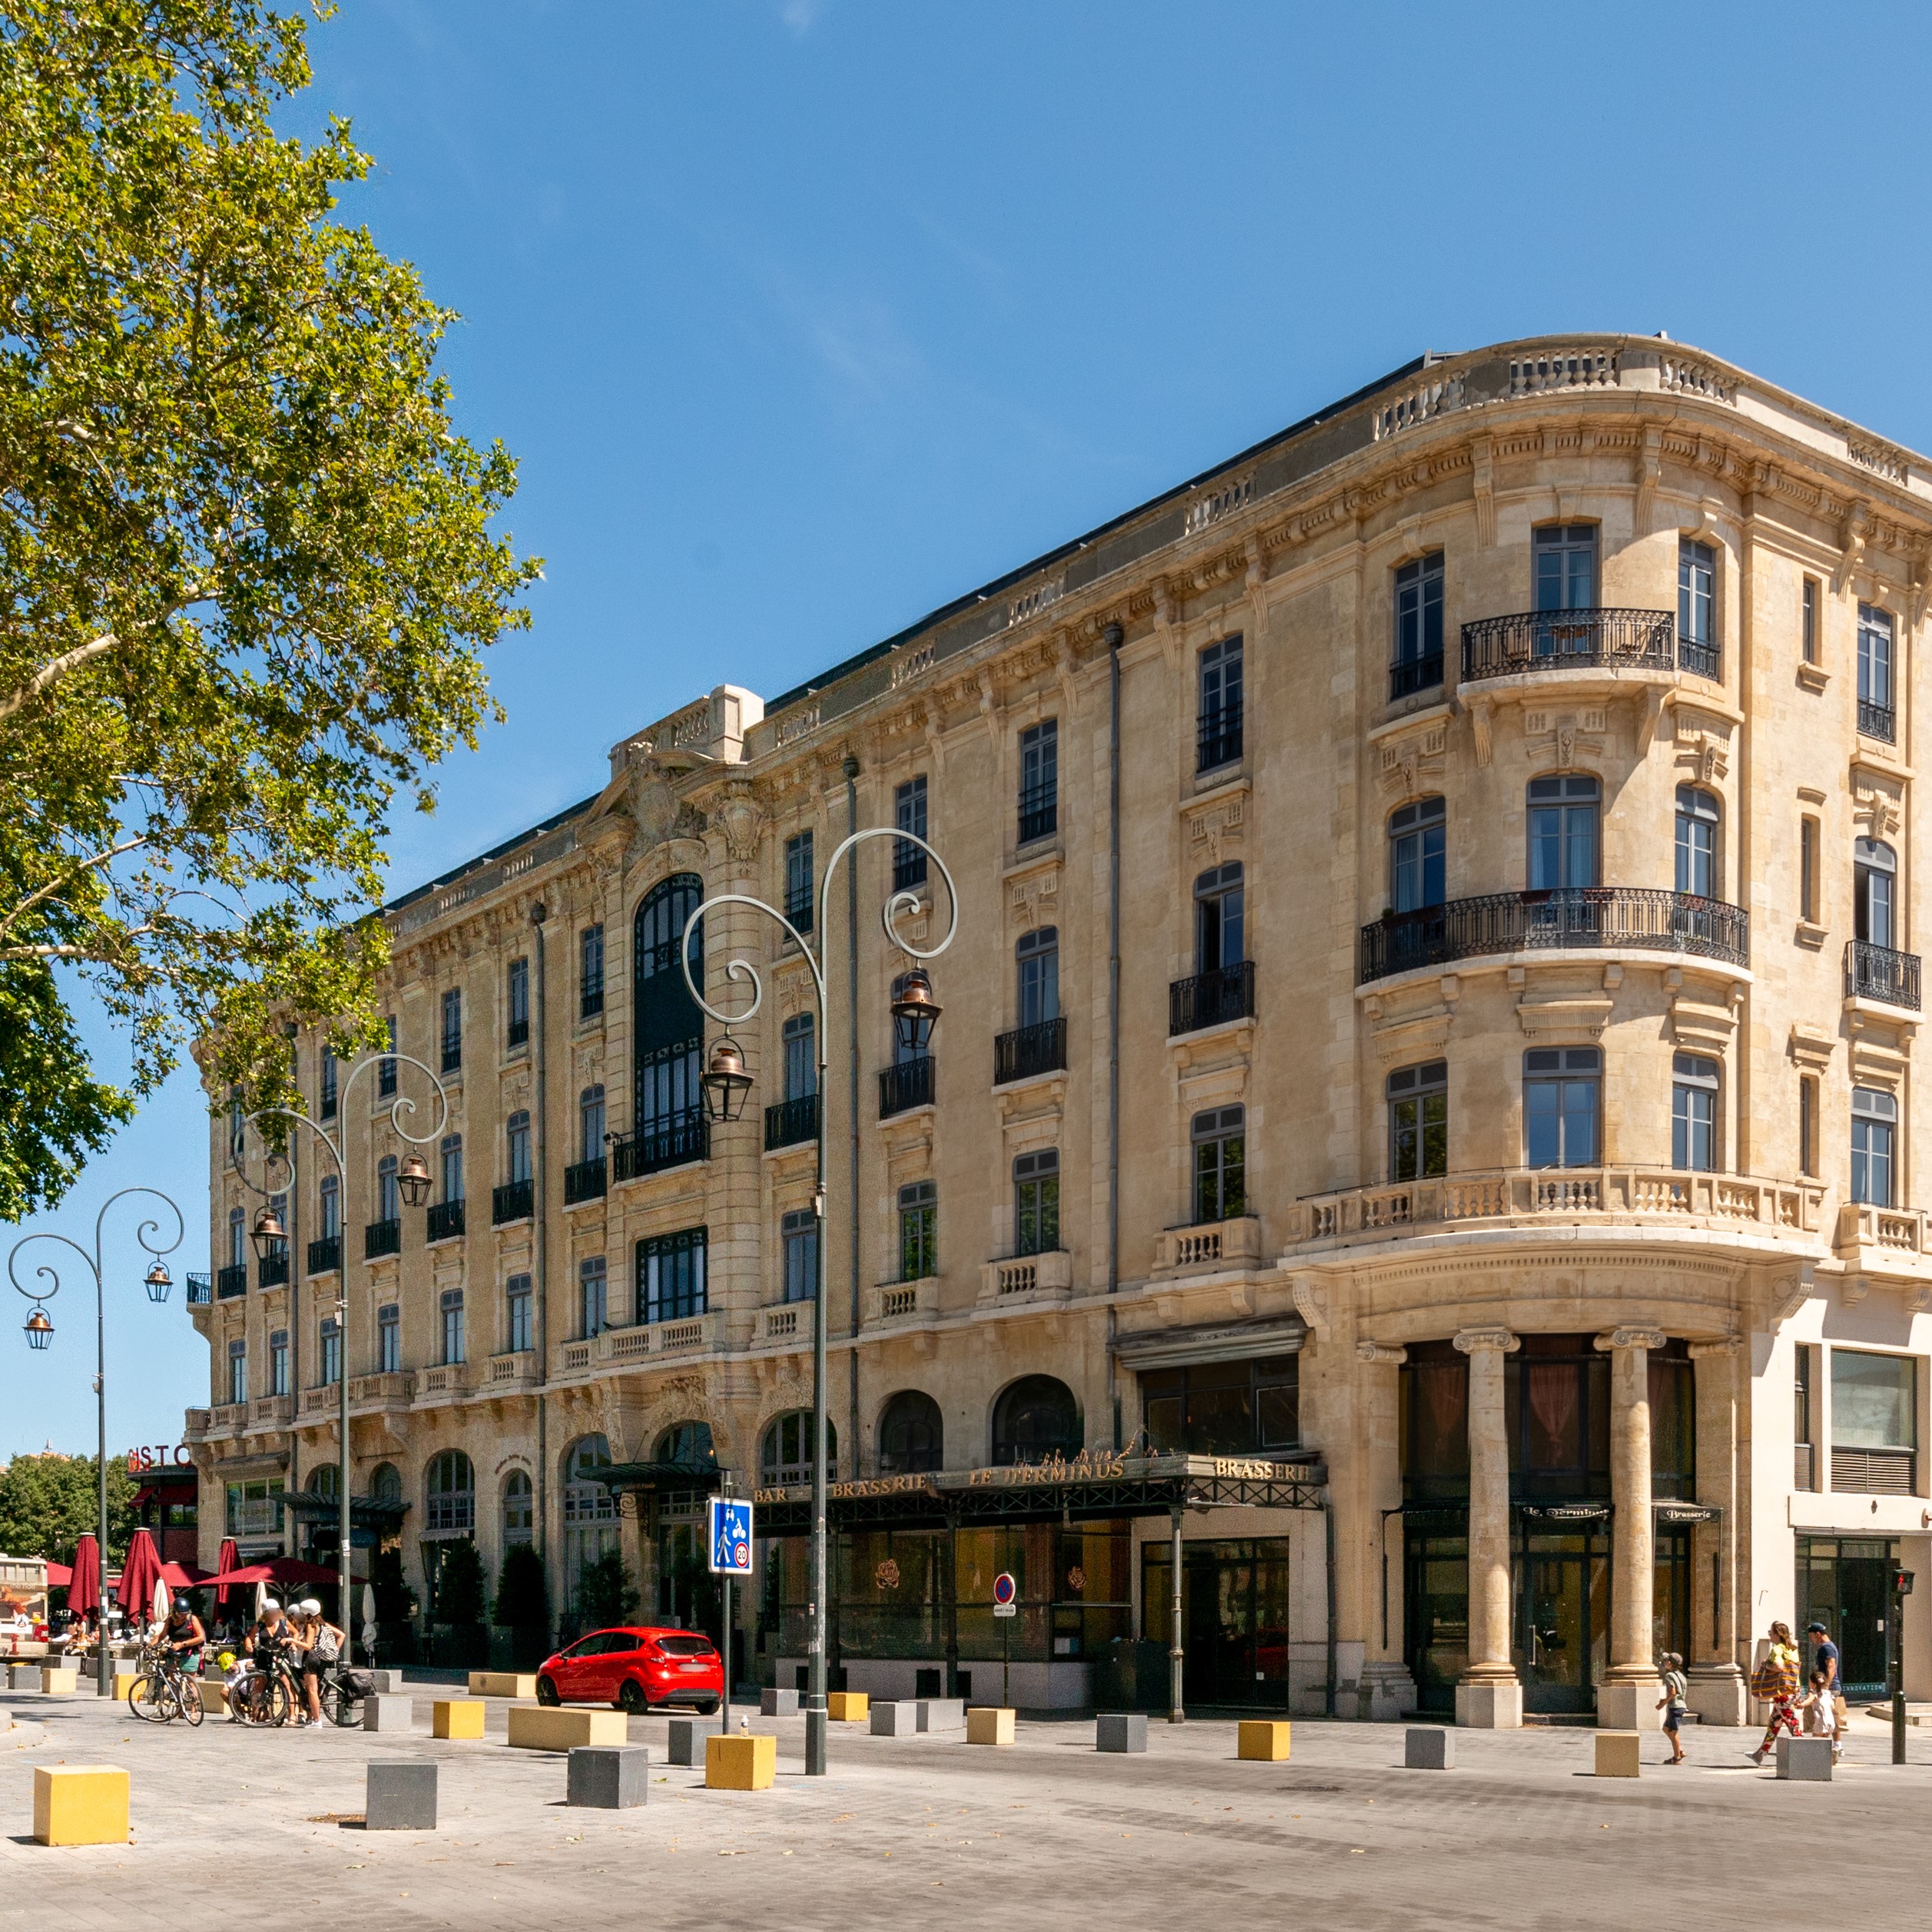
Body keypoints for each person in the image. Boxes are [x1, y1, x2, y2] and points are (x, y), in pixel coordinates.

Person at [1748, 1620, 1801, 1764]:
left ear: (1777, 1634)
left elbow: (1779, 1666)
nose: (1770, 1635)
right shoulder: (1792, 1649)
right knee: (1775, 1721)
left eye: (1770, 1633)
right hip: (1794, 1688)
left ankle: (1803, 1750)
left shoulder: (1777, 1649)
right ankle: (1760, 1753)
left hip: (1783, 1693)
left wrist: (1765, 1664)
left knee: (1791, 1721)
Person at [288, 1597, 345, 1728]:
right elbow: (342, 1635)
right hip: (321, 1659)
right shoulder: (324, 1624)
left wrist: (292, 1640)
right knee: (314, 1689)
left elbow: (308, 1646)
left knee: (312, 1690)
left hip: (311, 1659)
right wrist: (334, 1651)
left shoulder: (310, 1625)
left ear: (306, 1613)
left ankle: (317, 1720)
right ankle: (314, 1718)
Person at [1806, 1620, 1848, 1738]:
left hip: (1829, 1687)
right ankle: (1837, 1746)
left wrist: (1826, 1686)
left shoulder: (1826, 1648)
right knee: (1833, 1717)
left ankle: (1822, 1743)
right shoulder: (1830, 1646)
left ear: (1818, 1634)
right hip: (1832, 1686)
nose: (1811, 1639)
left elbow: (1831, 1666)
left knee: (1824, 1716)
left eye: (1811, 1636)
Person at [1798, 1668, 1843, 1763]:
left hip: (1820, 1722)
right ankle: (1830, 1755)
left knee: (1816, 1743)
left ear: (1812, 1683)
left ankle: (1816, 1762)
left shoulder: (1813, 1693)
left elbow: (1809, 1700)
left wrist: (1801, 1705)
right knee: (1824, 1742)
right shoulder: (1827, 1693)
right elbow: (1832, 1706)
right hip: (1830, 1722)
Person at [1655, 1651, 1689, 1764]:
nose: (1664, 1663)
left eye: (1665, 1661)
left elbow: (1673, 1692)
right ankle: (1680, 1751)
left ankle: (1677, 1758)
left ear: (1669, 1662)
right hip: (1681, 1706)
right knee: (1666, 1729)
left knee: (1672, 1732)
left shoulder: (1669, 1675)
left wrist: (1663, 1703)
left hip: (1675, 1707)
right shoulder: (1681, 1676)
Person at [160, 1597, 206, 1676]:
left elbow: (201, 1638)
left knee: (190, 1682)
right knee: (173, 1680)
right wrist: (150, 1645)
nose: (183, 1616)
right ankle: (176, 1688)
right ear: (174, 1612)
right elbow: (163, 1635)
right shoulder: (170, 1620)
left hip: (189, 1653)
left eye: (185, 1614)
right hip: (173, 1653)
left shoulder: (192, 1619)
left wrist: (182, 1645)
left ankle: (189, 1689)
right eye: (180, 1614)